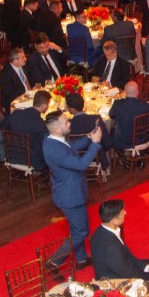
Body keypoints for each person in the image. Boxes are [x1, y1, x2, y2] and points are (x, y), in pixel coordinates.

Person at [43, 110, 102, 269]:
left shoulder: (53, 139)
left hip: (71, 191)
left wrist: (88, 138)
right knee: (81, 232)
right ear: (56, 129)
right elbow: (81, 164)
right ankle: (54, 261)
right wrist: (95, 144)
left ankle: (81, 259)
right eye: (66, 123)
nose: (69, 124)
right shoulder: (54, 149)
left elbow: (71, 148)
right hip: (69, 196)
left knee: (77, 229)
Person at [89, 199, 149, 281]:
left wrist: (148, 269)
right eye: (122, 212)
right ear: (114, 221)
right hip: (113, 281)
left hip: (120, 266)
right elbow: (128, 273)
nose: (125, 212)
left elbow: (127, 255)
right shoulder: (111, 247)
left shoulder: (102, 230)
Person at [0, 88, 50, 171]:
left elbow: (2, 125)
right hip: (30, 160)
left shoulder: (16, 113)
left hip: (12, 154)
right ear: (44, 105)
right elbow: (44, 147)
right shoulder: (40, 124)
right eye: (48, 104)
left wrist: (13, 138)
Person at [108, 80, 149, 153]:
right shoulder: (146, 106)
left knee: (110, 129)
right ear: (137, 92)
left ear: (125, 92)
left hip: (123, 142)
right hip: (142, 140)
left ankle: (112, 155)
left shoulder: (117, 104)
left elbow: (111, 115)